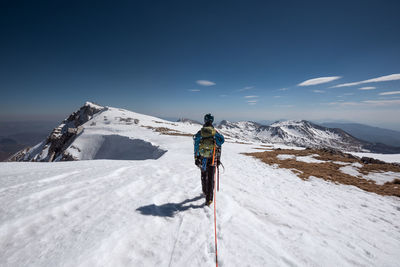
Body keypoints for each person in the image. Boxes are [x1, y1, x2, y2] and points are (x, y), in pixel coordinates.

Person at [193, 113, 224, 205]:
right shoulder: (214, 132)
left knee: (203, 174)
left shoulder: (201, 132)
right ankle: (209, 199)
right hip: (213, 157)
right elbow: (221, 141)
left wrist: (196, 157)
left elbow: (196, 145)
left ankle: (204, 191)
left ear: (205, 120)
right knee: (211, 177)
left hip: (202, 158)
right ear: (212, 121)